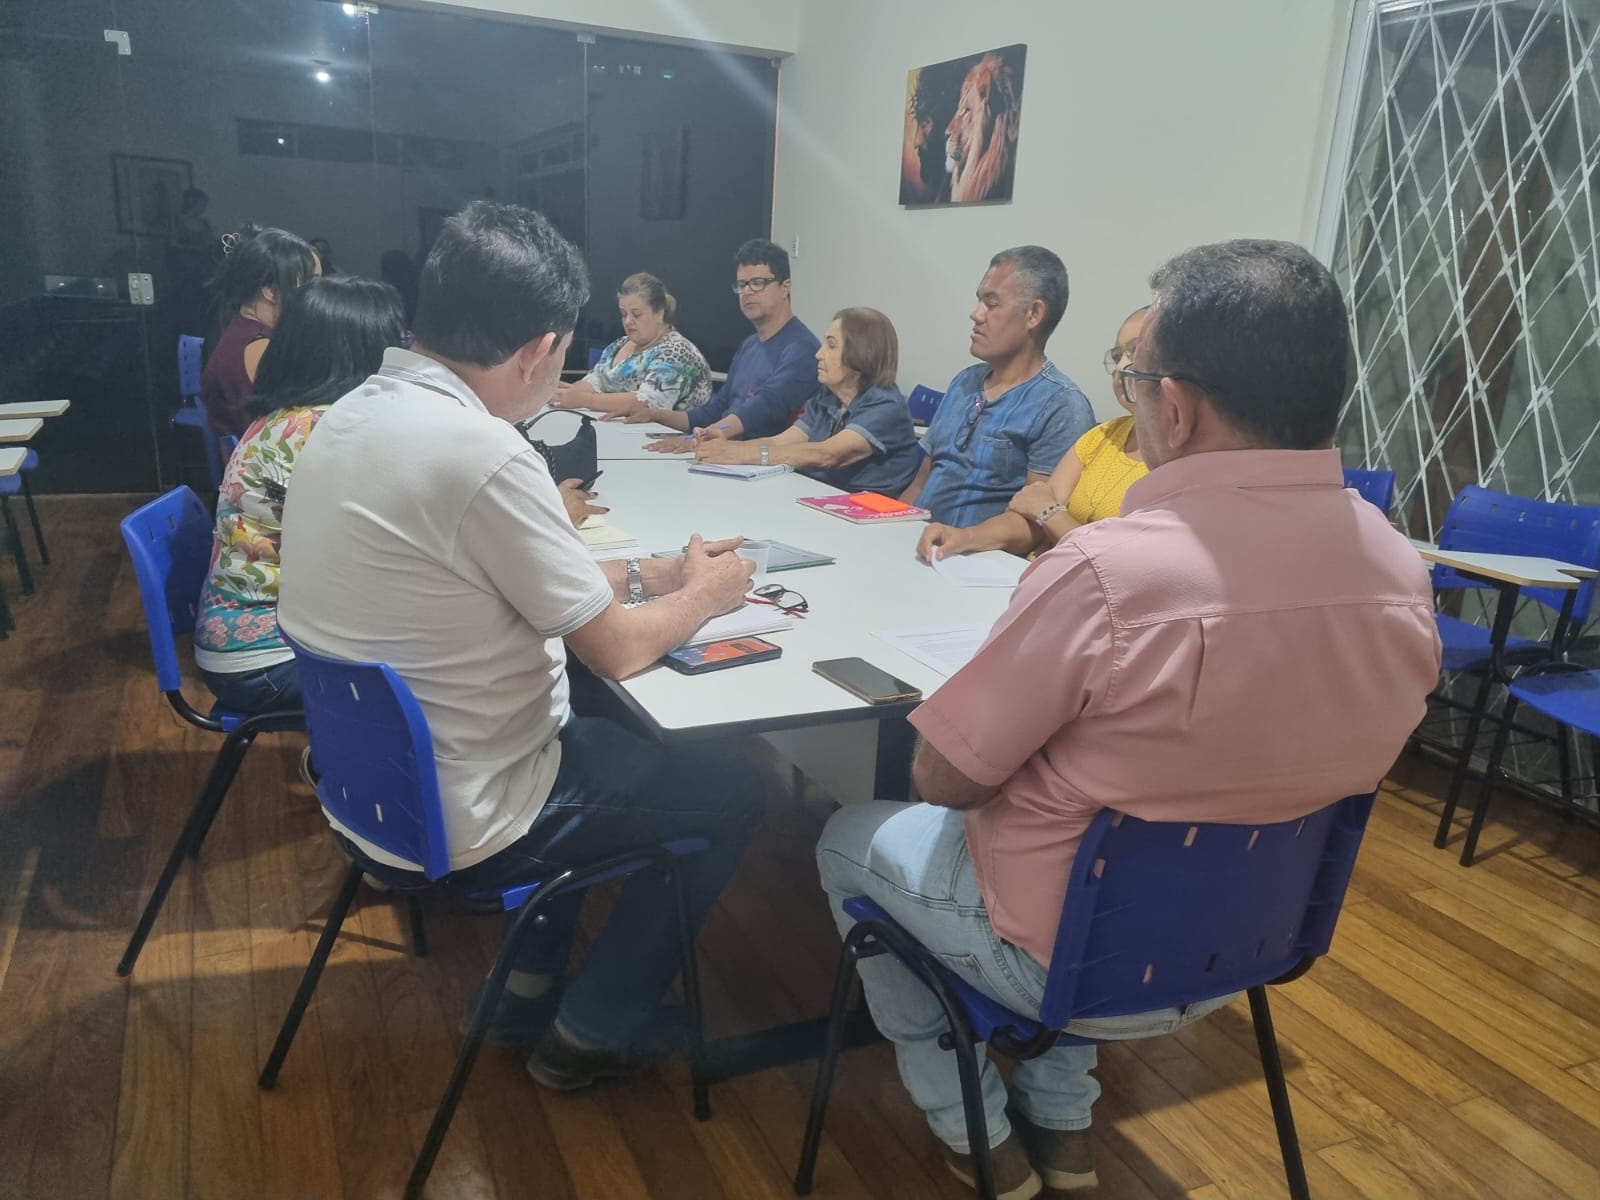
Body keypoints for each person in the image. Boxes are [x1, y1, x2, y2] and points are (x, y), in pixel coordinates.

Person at [816, 239, 1442, 1199]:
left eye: (1136, 380)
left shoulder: (1109, 573)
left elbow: (945, 780)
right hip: (1251, 949)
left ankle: (971, 1123)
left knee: (845, 837)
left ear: (1176, 406)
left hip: (1061, 957)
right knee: (1105, 820)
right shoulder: (1401, 571)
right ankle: (1064, 1122)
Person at [278, 201, 766, 1086]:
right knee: (733, 787)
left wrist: (655, 573)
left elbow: (508, 580)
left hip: (371, 790)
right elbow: (615, 650)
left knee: (584, 726)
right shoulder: (485, 452)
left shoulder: (348, 418)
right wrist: (707, 594)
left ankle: (524, 986)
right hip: (472, 813)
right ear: (540, 350)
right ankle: (594, 1028)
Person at [194, 276, 405, 713]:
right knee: (446, 671)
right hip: (266, 660)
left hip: (243, 637)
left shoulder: (288, 416)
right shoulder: (327, 430)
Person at [918, 306, 1149, 562]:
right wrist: (964, 537)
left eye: (1135, 352)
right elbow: (1028, 514)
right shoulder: (1102, 436)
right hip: (1035, 571)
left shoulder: (1064, 402)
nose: (1121, 367)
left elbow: (1121, 564)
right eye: (1117, 356)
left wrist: (1050, 513)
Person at [901, 247, 1093, 526]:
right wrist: (887, 527)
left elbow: (1033, 524)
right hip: (914, 537)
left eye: (991, 304)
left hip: (975, 550)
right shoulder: (965, 382)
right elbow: (920, 484)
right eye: (978, 301)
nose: (975, 314)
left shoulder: (1061, 405)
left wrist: (959, 540)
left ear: (1033, 314)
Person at [692, 306, 922, 496]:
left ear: (862, 353)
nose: (818, 354)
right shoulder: (828, 396)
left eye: (831, 345)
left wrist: (738, 454)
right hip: (822, 502)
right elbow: (781, 442)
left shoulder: (886, 406)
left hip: (868, 517)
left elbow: (826, 455)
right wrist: (725, 446)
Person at [632, 238, 819, 450]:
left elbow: (762, 408)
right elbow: (714, 411)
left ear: (785, 287)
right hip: (721, 452)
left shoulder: (802, 349)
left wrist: (698, 438)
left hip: (761, 459)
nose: (747, 292)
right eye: (742, 285)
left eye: (758, 283)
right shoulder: (749, 345)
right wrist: (656, 415)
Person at [200, 225, 320, 438]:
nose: (319, 294)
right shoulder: (259, 347)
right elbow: (284, 431)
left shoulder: (242, 332)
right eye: (311, 283)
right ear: (272, 291)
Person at [550, 272, 711, 415]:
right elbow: (595, 380)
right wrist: (567, 393)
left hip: (667, 436)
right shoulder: (619, 344)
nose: (628, 321)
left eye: (636, 314)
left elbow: (648, 403)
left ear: (659, 313)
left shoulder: (677, 352)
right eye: (623, 314)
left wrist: (586, 400)